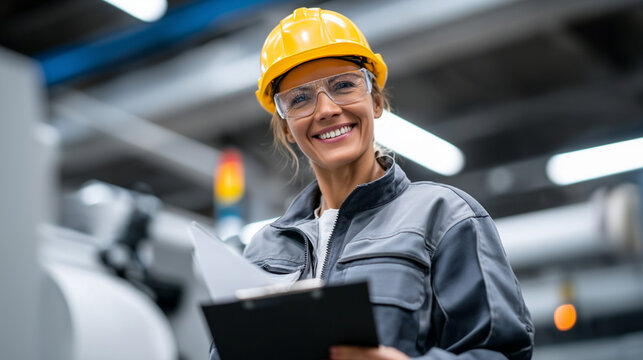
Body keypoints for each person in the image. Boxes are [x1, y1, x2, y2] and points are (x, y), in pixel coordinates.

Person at [214, 7, 534, 360]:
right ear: (287, 127)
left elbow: (503, 354)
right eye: (300, 99)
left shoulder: (444, 217)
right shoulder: (263, 251)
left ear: (376, 101)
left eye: (344, 86)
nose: (325, 109)